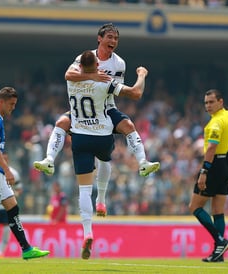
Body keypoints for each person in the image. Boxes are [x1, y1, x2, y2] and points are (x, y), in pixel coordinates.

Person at [34, 23, 160, 216]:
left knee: (128, 125)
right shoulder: (85, 58)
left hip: (106, 107)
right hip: (84, 110)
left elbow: (120, 91)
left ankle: (143, 162)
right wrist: (94, 76)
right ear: (99, 38)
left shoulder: (119, 63)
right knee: (61, 123)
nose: (113, 41)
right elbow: (69, 75)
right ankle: (49, 159)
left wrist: (98, 82)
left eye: (116, 38)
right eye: (110, 37)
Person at [68, 50, 149, 259]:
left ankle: (87, 232)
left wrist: (89, 75)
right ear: (96, 65)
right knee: (106, 158)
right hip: (102, 130)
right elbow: (135, 93)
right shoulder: (105, 81)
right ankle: (103, 198)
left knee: (84, 189)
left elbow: (68, 74)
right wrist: (142, 75)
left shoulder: (73, 80)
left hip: (80, 133)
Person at [0, 87, 49, 263]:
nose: (13, 107)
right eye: (11, 104)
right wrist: (6, 169)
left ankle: (27, 249)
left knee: (13, 207)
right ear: (1, 102)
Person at [189, 89, 228, 263]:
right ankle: (219, 254)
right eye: (206, 103)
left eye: (211, 102)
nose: (208, 106)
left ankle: (220, 241)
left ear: (220, 102)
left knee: (194, 206)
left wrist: (204, 172)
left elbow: (212, 148)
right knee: (218, 210)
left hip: (215, 165)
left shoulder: (214, 124)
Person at [0, 155, 23, 258]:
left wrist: (13, 194)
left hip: (8, 207)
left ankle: (0, 253)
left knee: (7, 230)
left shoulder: (13, 173)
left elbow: (19, 188)